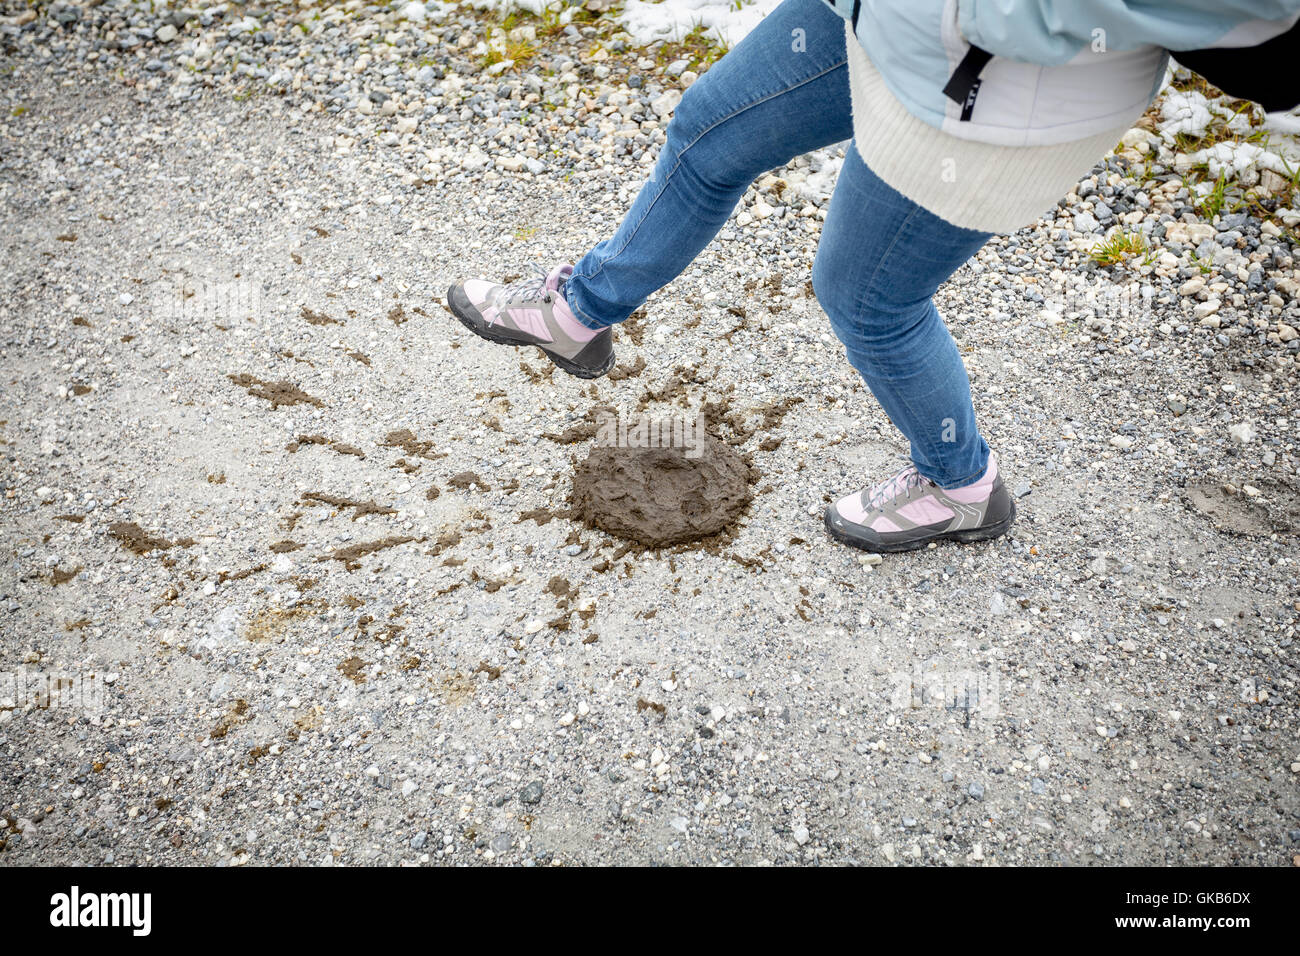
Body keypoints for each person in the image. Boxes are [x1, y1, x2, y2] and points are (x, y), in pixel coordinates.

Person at [447, 0, 1300, 553]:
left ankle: (961, 484)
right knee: (710, 134)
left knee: (869, 297)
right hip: (868, 14)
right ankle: (579, 311)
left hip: (996, 88)